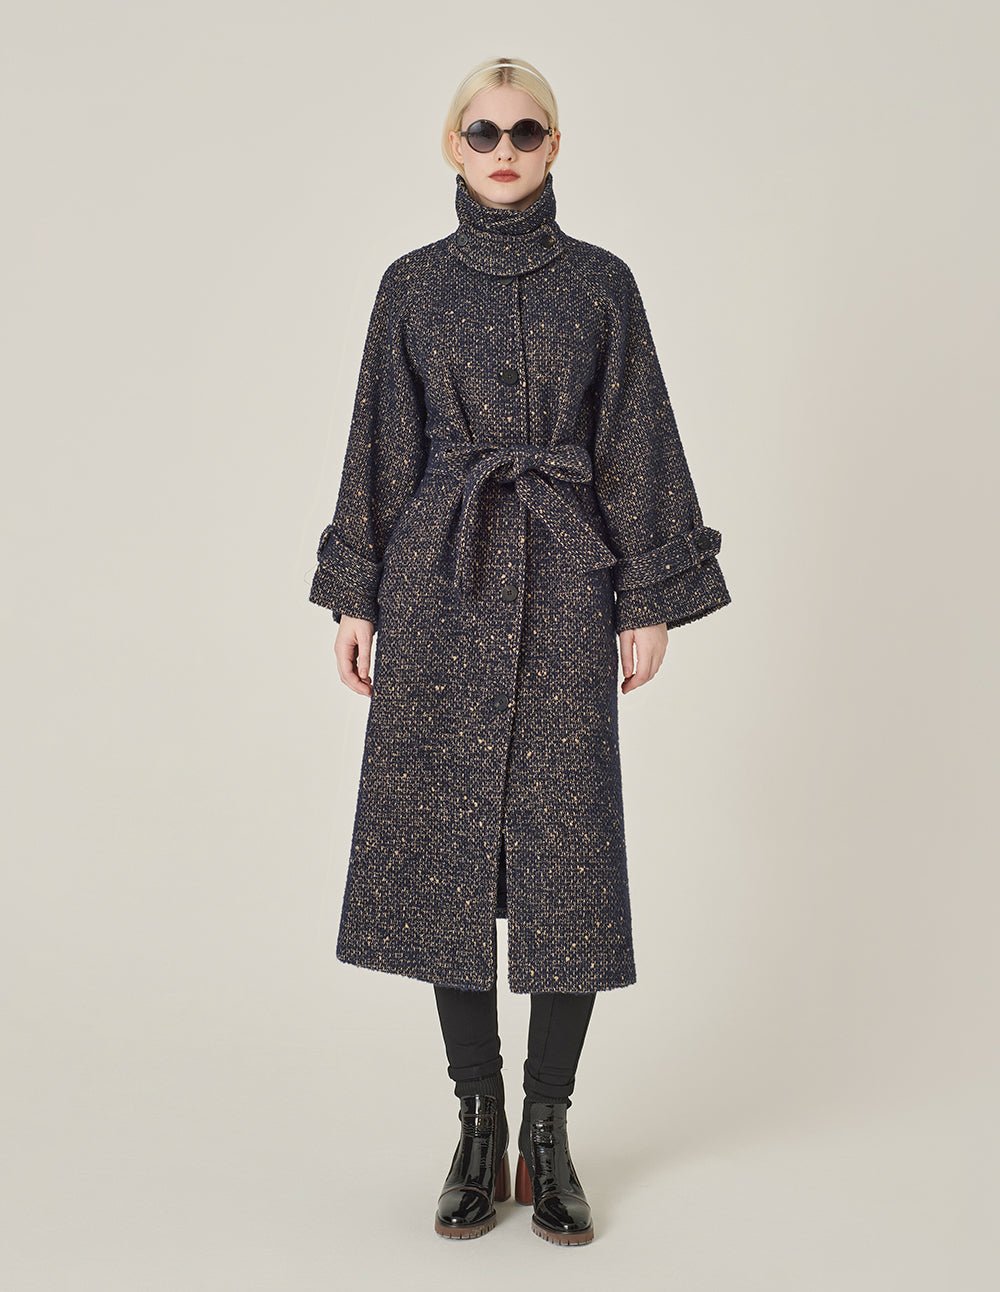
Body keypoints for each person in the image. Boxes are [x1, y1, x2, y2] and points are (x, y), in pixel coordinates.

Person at [307, 56, 732, 1245]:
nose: (504, 149)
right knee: (444, 851)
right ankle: (477, 1121)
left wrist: (647, 594)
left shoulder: (602, 285)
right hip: (439, 579)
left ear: (555, 145)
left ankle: (548, 1129)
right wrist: (356, 595)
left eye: (526, 130)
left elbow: (635, 434)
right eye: (483, 131)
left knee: (567, 853)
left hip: (566, 579)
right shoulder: (410, 286)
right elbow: (378, 442)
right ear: (453, 145)